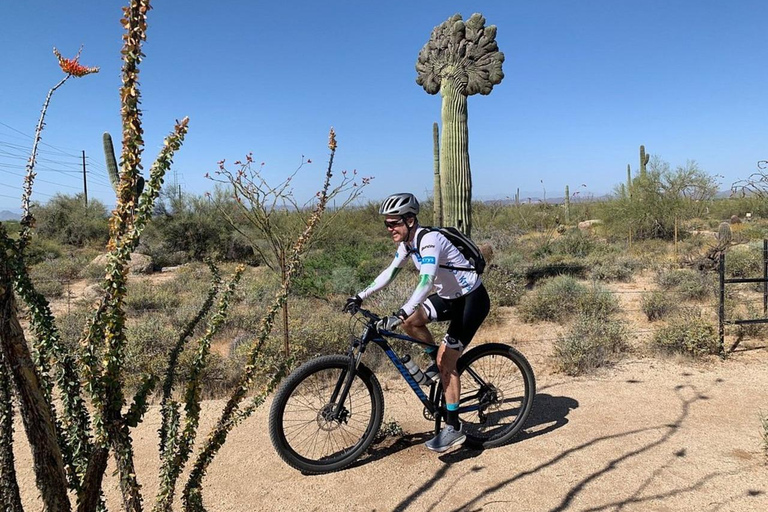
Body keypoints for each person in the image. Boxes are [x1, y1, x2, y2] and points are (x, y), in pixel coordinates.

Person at [344, 192, 490, 452]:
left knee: (447, 362)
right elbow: (389, 273)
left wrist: (400, 312)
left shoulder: (430, 240)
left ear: (410, 220)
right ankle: (436, 362)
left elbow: (426, 281)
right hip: (449, 297)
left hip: (471, 300)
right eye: (386, 224)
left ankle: (453, 427)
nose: (390, 229)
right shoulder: (407, 245)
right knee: (412, 322)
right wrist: (360, 296)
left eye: (394, 223)